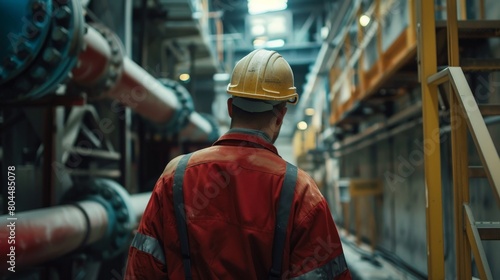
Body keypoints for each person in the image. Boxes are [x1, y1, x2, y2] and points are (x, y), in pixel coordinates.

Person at [125, 49, 352, 279]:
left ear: (231, 107)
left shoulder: (176, 175)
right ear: (281, 115)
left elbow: (142, 269)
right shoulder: (300, 191)